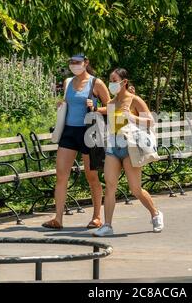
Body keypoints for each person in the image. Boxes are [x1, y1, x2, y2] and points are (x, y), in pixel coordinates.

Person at [92, 68, 164, 237]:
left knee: (135, 189)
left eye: (114, 80)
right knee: (110, 187)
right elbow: (110, 120)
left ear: (124, 82)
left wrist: (131, 118)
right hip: (113, 147)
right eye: (110, 80)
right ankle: (107, 225)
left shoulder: (135, 100)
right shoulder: (111, 103)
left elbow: (150, 122)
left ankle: (155, 213)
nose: (111, 83)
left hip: (130, 147)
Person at [42, 54, 110, 230]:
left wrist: (95, 107)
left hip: (88, 131)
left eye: (77, 63)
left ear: (86, 63)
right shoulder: (68, 82)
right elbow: (68, 102)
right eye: (71, 63)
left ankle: (97, 216)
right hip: (69, 131)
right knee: (61, 174)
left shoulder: (96, 83)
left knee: (91, 175)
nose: (74, 65)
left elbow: (111, 107)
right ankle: (58, 219)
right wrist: (61, 104)